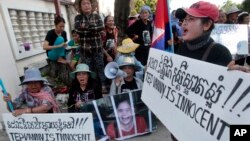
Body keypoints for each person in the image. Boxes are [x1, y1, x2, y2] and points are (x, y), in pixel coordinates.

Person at [173, 1, 233, 140]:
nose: (183, 24)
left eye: (191, 19)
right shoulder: (182, 48)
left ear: (206, 25)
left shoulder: (220, 53)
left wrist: (235, 76)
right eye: (184, 19)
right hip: (179, 127)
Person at [74, 0, 107, 93]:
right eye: (83, 4)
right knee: (89, 69)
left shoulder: (97, 16)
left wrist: (85, 27)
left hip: (97, 48)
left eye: (88, 3)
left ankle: (103, 85)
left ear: (91, 5)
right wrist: (93, 29)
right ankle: (93, 87)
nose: (86, 5)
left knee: (100, 67)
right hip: (85, 50)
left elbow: (101, 27)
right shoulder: (78, 17)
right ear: (80, 6)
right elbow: (78, 30)